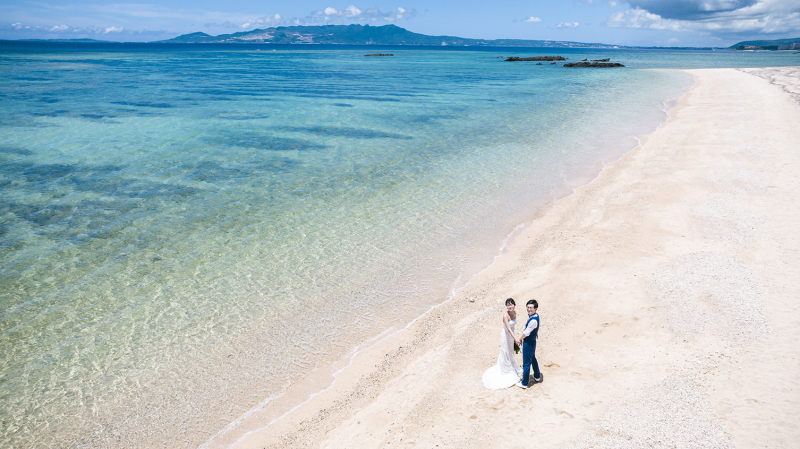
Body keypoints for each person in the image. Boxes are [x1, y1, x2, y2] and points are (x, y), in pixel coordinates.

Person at [482, 298, 524, 389]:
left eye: (511, 305)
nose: (510, 307)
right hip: (506, 336)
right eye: (508, 305)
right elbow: (508, 329)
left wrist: (514, 338)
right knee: (506, 352)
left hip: (511, 336)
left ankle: (513, 367)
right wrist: (516, 339)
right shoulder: (505, 316)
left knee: (511, 352)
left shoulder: (515, 313)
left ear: (514, 305)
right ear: (506, 306)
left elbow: (513, 328)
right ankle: (507, 370)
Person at [516, 299, 541, 389]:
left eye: (531, 308)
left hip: (528, 343)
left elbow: (526, 333)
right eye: (528, 307)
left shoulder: (533, 320)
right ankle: (537, 376)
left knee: (526, 363)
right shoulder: (535, 316)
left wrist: (519, 339)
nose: (529, 309)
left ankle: (524, 383)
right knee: (533, 359)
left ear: (536, 308)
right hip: (533, 342)